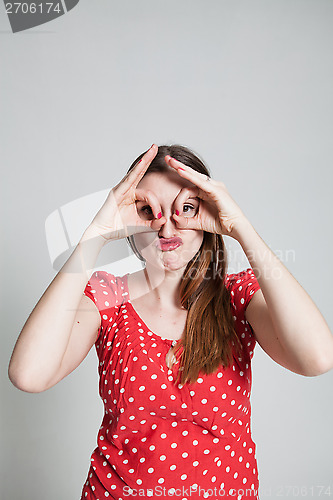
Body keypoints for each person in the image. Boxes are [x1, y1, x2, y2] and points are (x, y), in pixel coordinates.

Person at [8, 143, 333, 500]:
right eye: (148, 210)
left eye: (186, 209)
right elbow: (29, 374)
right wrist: (96, 233)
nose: (166, 226)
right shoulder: (108, 298)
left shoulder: (237, 297)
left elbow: (317, 358)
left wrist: (240, 227)